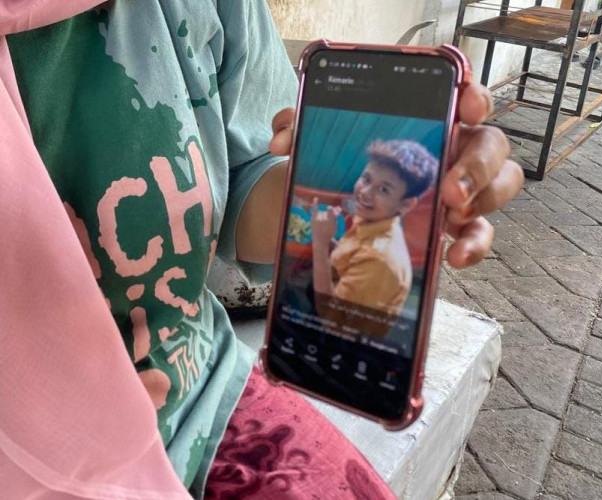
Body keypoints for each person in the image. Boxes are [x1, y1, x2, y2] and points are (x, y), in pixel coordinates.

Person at [0, 1, 523, 500]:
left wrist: (346, 194)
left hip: (197, 386)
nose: (365, 190)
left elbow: (248, 175)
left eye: (383, 186)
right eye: (368, 180)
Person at [311, 140, 438, 316]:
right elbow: (352, 256)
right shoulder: (374, 220)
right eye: (366, 179)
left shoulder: (380, 261)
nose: (365, 193)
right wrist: (326, 238)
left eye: (383, 190)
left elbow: (330, 316)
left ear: (406, 204)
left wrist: (319, 243)